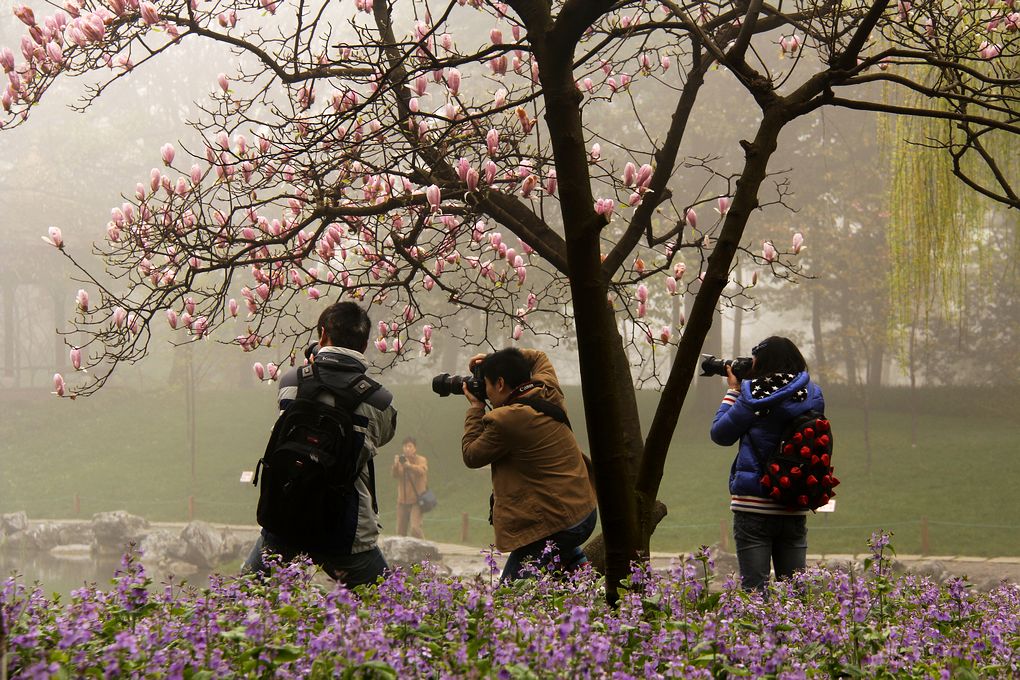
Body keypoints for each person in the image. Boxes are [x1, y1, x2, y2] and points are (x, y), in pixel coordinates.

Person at [243, 302, 397, 587]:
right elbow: (382, 437)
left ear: (322, 334)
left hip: (286, 515)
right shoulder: (380, 402)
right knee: (390, 606)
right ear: (364, 345)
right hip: (345, 529)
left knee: (240, 598)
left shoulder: (291, 382)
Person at [461, 347, 597, 582]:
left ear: (501, 383)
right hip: (583, 512)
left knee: (511, 595)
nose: (486, 392)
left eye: (487, 385)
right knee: (564, 569)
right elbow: (539, 356)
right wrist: (495, 361)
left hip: (559, 524)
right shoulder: (546, 389)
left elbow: (471, 455)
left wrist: (475, 408)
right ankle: (584, 579)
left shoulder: (506, 419)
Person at [710, 336, 825, 592]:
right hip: (793, 501)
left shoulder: (752, 395)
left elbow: (720, 434)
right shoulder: (813, 395)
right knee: (796, 595)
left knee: (754, 594)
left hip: (753, 505)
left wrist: (734, 391)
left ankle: (759, 633)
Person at [391, 436, 429, 539]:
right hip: (402, 501)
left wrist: (409, 466)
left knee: (415, 529)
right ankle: (403, 554)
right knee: (400, 532)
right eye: (405, 446)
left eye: (409, 446)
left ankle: (426, 552)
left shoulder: (421, 460)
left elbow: (422, 471)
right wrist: (395, 465)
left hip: (417, 501)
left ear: (414, 448)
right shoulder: (401, 461)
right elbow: (395, 475)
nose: (407, 449)